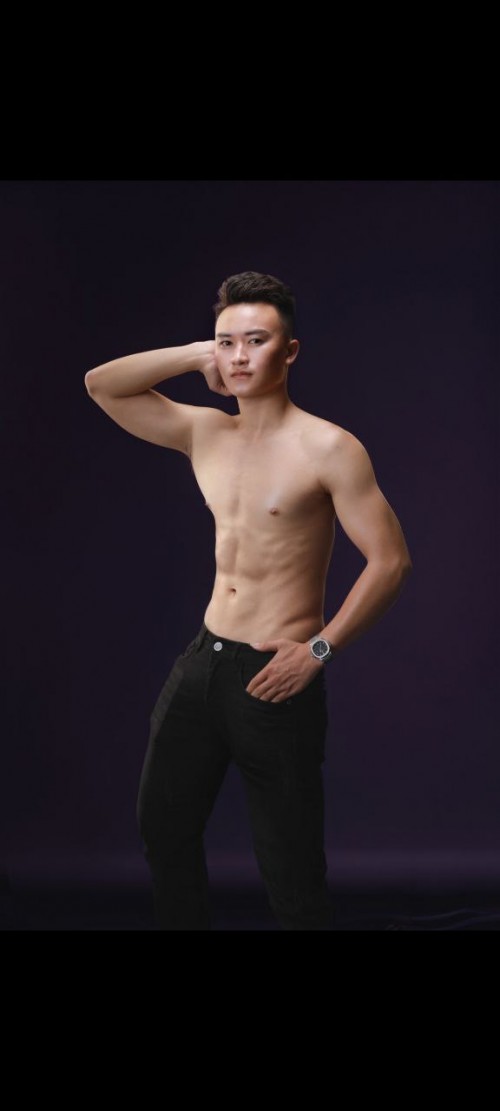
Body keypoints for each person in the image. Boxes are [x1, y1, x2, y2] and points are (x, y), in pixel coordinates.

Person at [84, 270, 413, 930]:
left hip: (274, 673)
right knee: (164, 830)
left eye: (255, 341)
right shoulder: (205, 432)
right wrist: (195, 353)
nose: (238, 357)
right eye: (226, 343)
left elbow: (391, 560)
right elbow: (101, 384)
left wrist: (320, 649)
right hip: (202, 661)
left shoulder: (329, 447)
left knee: (291, 871)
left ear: (289, 351)